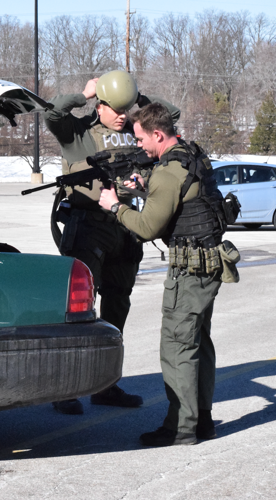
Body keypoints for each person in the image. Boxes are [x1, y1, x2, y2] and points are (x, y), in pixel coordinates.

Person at [44, 70, 181, 415]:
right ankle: (66, 387)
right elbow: (53, 113)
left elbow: (172, 115)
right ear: (100, 103)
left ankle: (106, 384)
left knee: (117, 306)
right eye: (114, 107)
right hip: (89, 226)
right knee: (77, 310)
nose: (121, 115)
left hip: (124, 225)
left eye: (126, 108)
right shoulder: (79, 133)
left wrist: (137, 98)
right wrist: (84, 94)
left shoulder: (136, 132)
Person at [98, 102, 227, 445]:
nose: (139, 145)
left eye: (141, 139)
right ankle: (202, 421)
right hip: (207, 265)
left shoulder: (168, 172)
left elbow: (146, 227)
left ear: (158, 134)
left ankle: (180, 428)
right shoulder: (189, 154)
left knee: (177, 348)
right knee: (198, 343)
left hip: (189, 272)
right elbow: (178, 202)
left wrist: (114, 205)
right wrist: (144, 189)